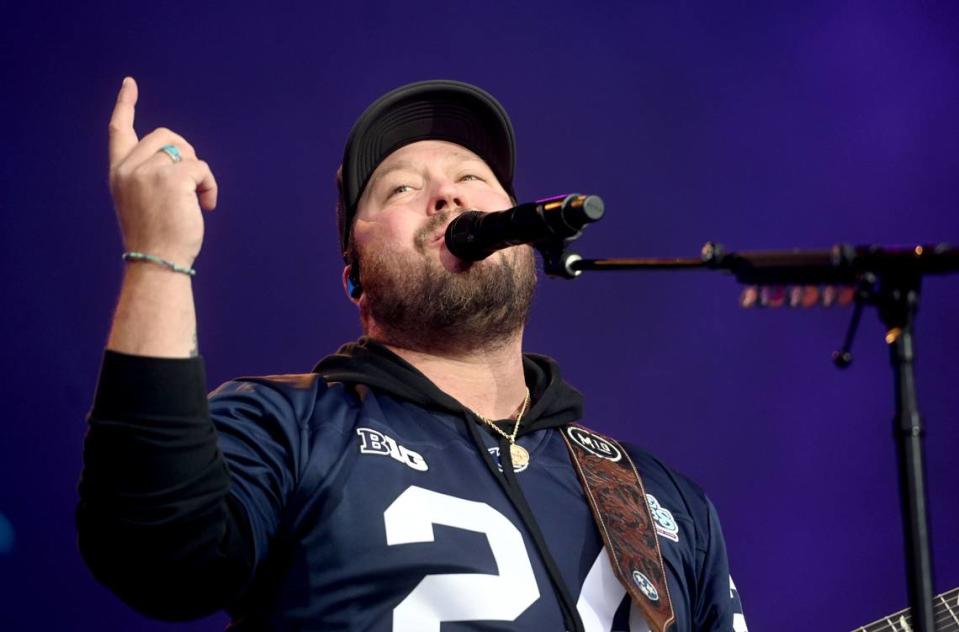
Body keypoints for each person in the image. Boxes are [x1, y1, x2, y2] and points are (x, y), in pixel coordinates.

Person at [78, 76, 748, 631]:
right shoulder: (287, 426)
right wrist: (160, 255)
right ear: (353, 273)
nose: (447, 195)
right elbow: (158, 556)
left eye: (472, 177)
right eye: (400, 188)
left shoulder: (657, 497)